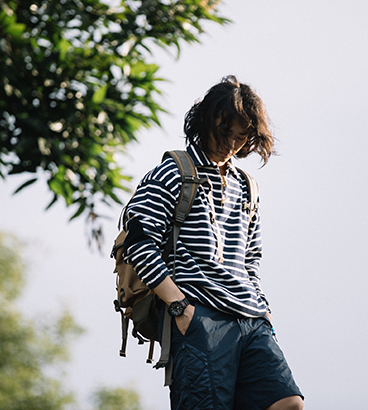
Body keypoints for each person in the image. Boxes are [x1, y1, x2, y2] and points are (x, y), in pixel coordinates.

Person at [122, 76, 303, 410]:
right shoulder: (172, 172)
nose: (231, 144)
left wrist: (262, 308)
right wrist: (178, 306)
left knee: (287, 403)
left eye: (241, 135)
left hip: (250, 318)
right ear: (204, 121)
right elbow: (138, 242)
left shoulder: (247, 186)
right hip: (199, 314)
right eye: (224, 132)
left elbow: (251, 257)